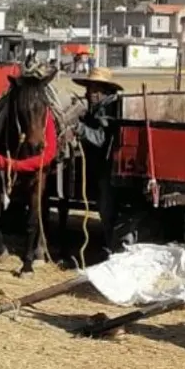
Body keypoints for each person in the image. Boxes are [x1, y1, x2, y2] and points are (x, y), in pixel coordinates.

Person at [71, 66, 126, 256]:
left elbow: (101, 139)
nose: (89, 94)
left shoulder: (109, 109)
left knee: (106, 208)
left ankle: (111, 248)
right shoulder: (99, 108)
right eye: (89, 89)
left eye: (94, 90)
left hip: (108, 167)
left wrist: (80, 129)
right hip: (102, 166)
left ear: (106, 91)